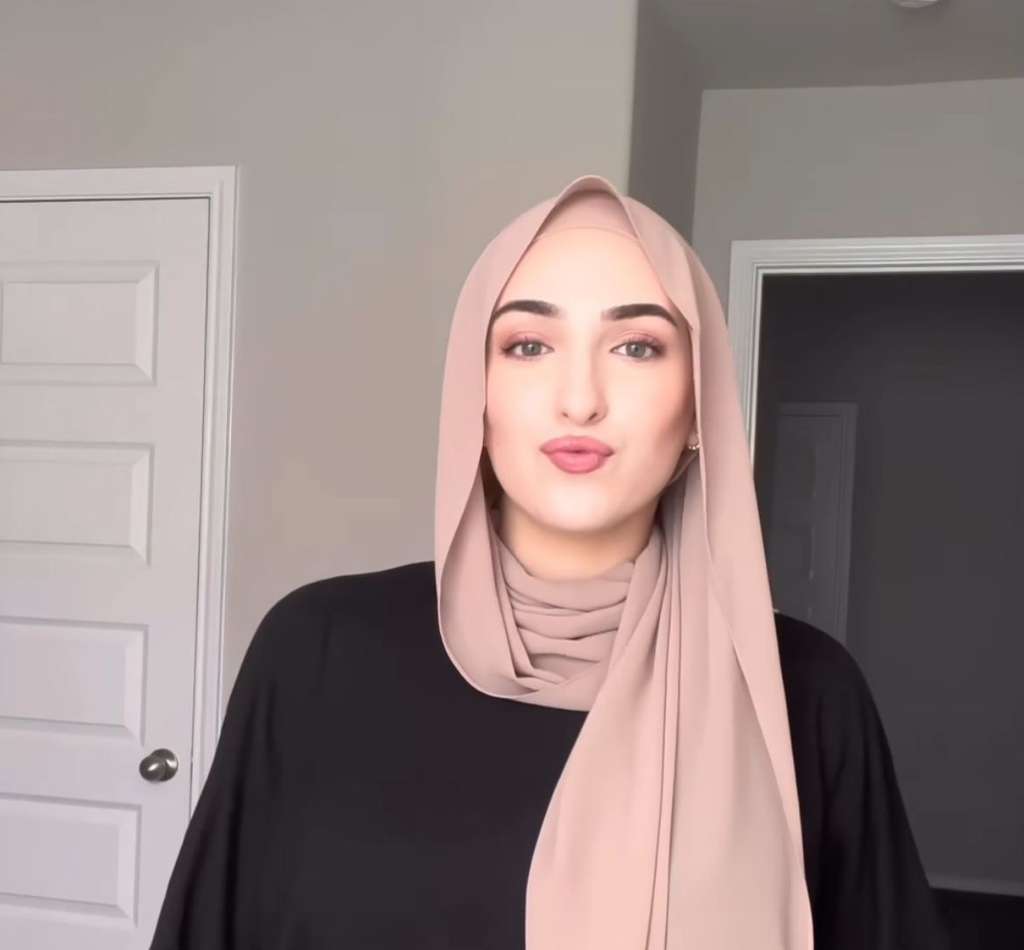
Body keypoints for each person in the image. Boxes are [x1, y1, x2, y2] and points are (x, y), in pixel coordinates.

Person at [149, 174, 951, 949]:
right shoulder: (315, 649)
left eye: (637, 347)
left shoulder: (807, 691)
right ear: (477, 391)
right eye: (529, 345)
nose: (579, 398)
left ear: (699, 407)